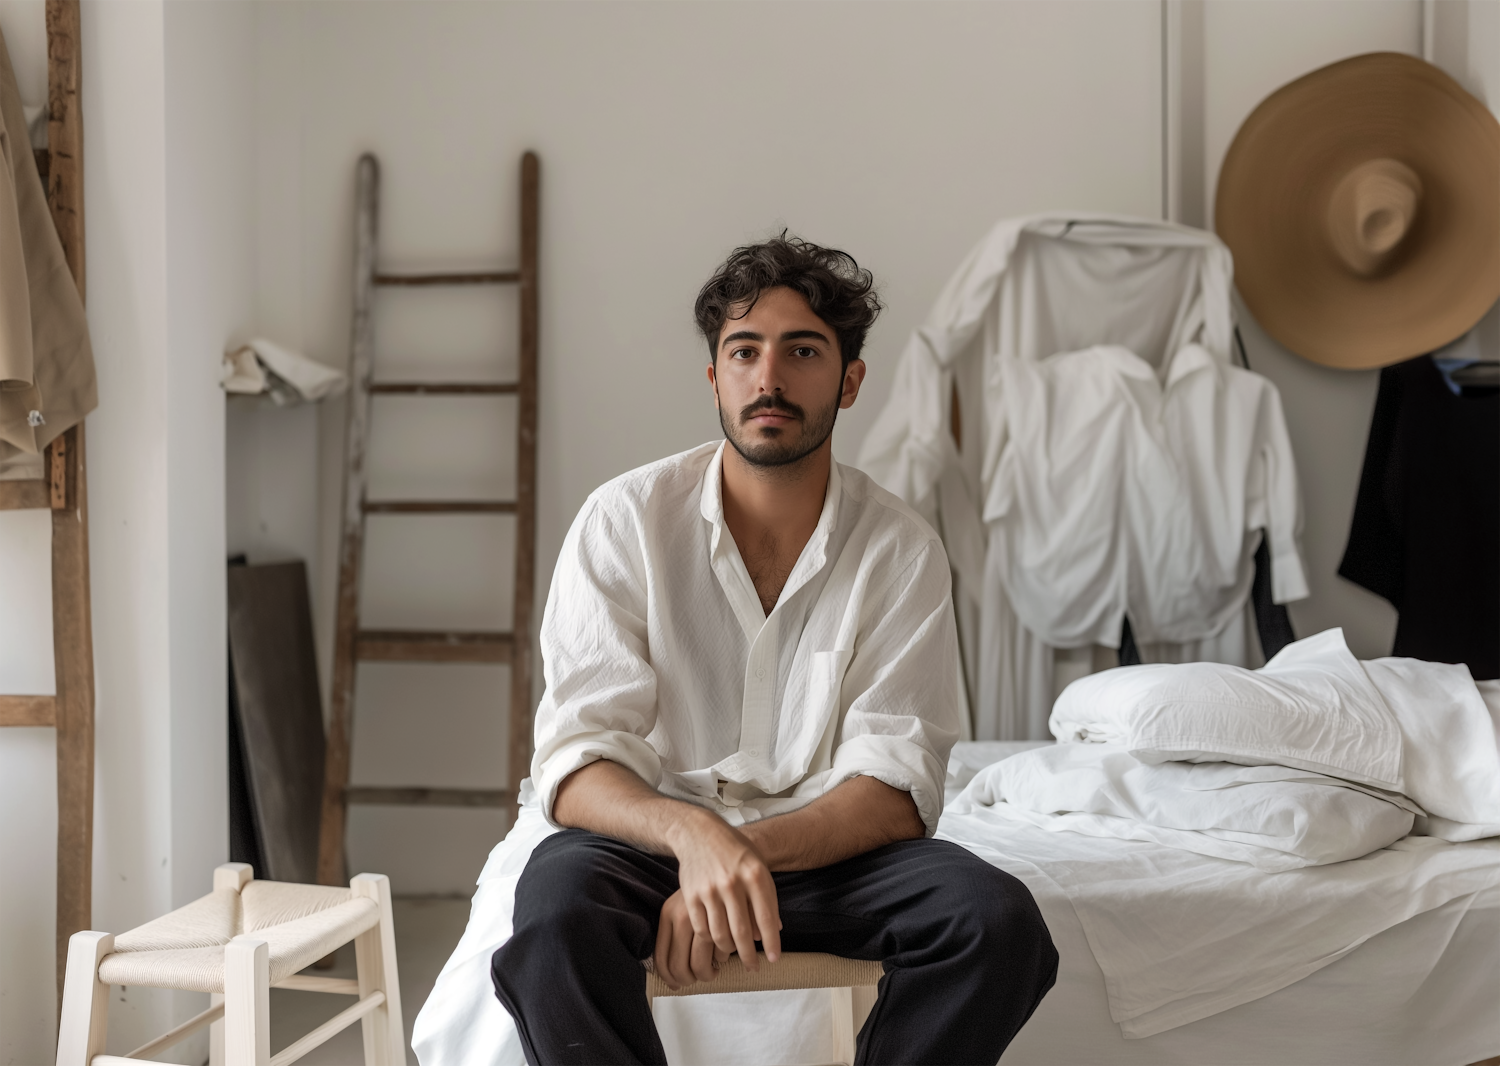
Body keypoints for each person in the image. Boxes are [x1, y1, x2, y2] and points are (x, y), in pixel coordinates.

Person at [489, 236, 1058, 1066]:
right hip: (648, 849)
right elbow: (577, 765)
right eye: (744, 352)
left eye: (803, 351)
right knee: (552, 920)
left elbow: (894, 790)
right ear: (714, 377)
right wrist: (694, 841)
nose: (770, 379)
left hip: (827, 854)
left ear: (850, 381)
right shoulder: (623, 522)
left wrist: (736, 854)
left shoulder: (901, 549)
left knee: (995, 924)